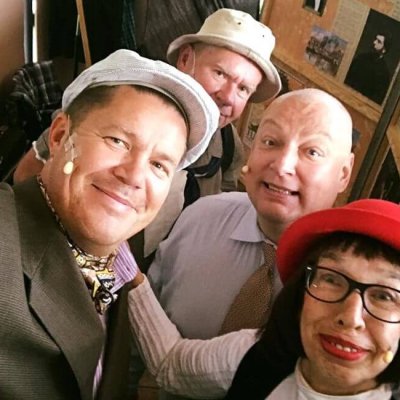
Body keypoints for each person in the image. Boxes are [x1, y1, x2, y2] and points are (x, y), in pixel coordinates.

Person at [0, 49, 219, 400]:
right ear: (59, 136)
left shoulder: (119, 252)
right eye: (117, 141)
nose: (134, 176)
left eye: (159, 165)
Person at [14, 9, 281, 262]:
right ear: (185, 59)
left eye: (243, 89)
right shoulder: (117, 105)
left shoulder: (229, 148)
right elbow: (27, 176)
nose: (228, 97)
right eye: (220, 73)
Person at [144, 88, 354, 399]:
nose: (282, 165)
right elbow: (137, 337)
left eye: (312, 152)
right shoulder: (199, 218)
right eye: (270, 142)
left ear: (344, 174)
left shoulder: (349, 282)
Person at [128, 198, 400, 400]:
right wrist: (119, 261)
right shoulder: (257, 354)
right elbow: (171, 365)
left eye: (385, 296)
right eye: (331, 279)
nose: (350, 317)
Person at [345, 32, 391, 105]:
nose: (374, 42)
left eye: (379, 42)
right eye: (375, 39)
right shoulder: (361, 58)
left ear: (384, 50)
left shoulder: (383, 72)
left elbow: (377, 98)